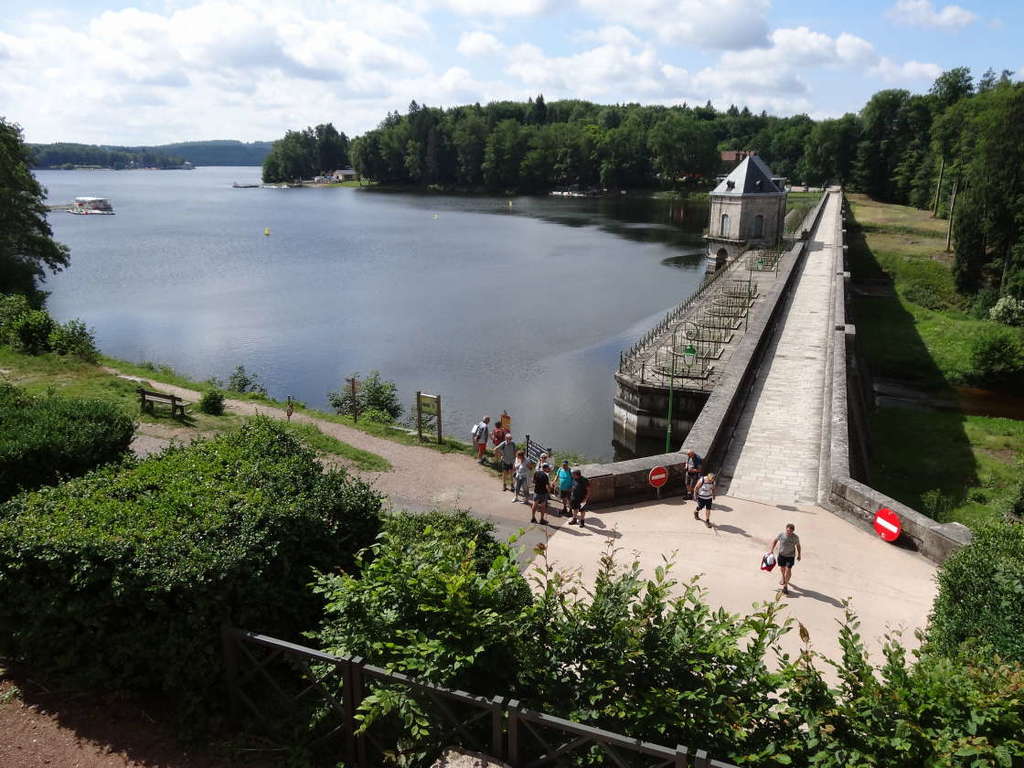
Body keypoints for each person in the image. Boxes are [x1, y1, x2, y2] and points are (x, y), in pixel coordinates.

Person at [769, 523, 802, 595]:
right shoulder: (781, 535)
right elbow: (775, 540)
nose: (789, 532)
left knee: (788, 570)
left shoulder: (795, 537)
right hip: (781, 555)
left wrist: (799, 555)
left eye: (790, 531)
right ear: (786, 529)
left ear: (793, 531)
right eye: (787, 530)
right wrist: (771, 550)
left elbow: (798, 546)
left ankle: (785, 586)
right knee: (782, 568)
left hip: (790, 556)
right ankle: (783, 577)